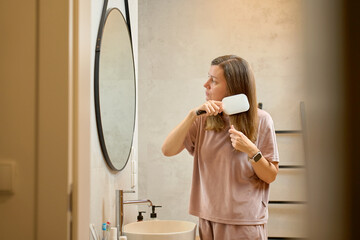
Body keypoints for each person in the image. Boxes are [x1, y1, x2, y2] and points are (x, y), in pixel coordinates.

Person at [161, 55, 279, 240]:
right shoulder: (201, 120)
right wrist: (192, 114)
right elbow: (167, 150)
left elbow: (270, 175)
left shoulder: (262, 120)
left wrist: (252, 151)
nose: (205, 84)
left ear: (234, 88)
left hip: (244, 222)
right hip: (208, 218)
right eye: (208, 77)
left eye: (214, 81)